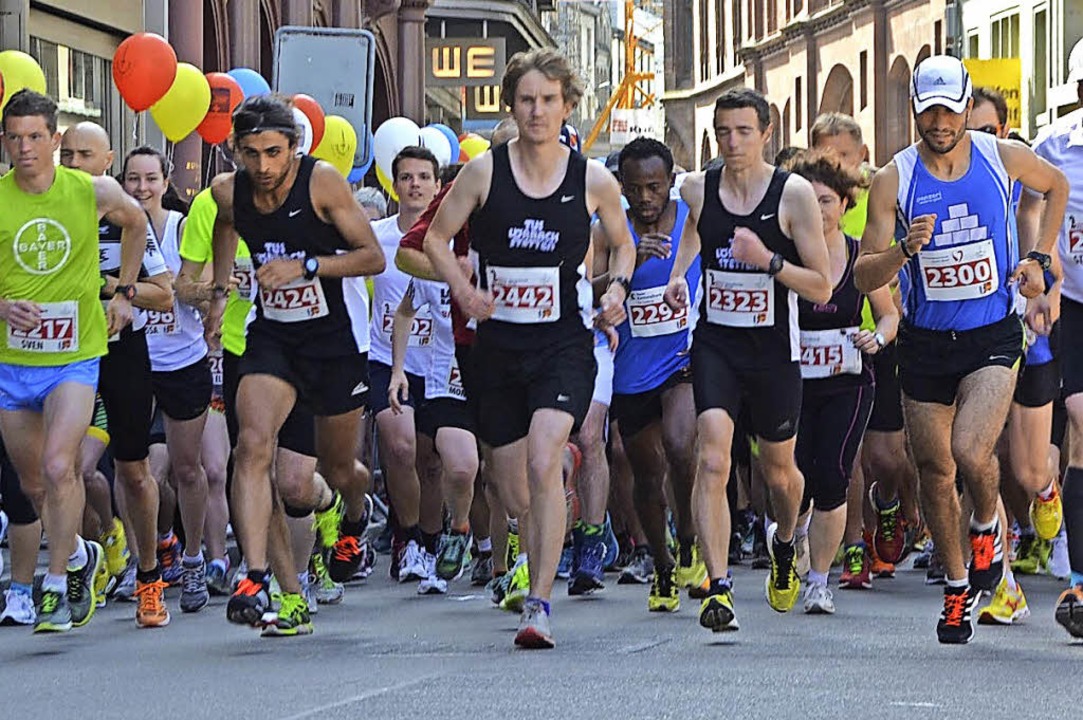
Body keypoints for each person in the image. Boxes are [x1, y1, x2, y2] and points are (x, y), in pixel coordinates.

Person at [422, 48, 636, 648]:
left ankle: (539, 603)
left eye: (548, 100)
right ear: (512, 107)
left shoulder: (591, 178)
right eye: (526, 100)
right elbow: (437, 239)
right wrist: (464, 290)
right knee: (511, 485)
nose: (537, 111)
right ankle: (543, 510)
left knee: (544, 460)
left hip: (563, 342)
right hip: (497, 347)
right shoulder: (485, 173)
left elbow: (623, 245)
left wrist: (617, 287)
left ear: (567, 105)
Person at [854, 55, 1068, 644]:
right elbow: (862, 277)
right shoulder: (893, 179)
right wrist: (902, 249)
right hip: (925, 341)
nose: (942, 122)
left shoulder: (1001, 158)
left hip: (991, 333)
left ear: (969, 107)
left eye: (952, 110)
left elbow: (1056, 186)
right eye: (931, 111)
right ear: (915, 111)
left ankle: (986, 528)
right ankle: (956, 590)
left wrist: (1041, 258)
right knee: (933, 468)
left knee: (971, 451)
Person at [205, 94, 385, 636]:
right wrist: (218, 293)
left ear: (295, 148)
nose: (263, 167)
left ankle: (351, 508)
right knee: (254, 449)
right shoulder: (228, 190)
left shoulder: (322, 182)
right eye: (251, 153)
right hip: (273, 339)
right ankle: (264, 582)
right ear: (235, 149)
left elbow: (372, 256)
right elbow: (224, 227)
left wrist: (305, 266)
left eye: (274, 153)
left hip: (332, 343)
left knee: (327, 472)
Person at [664, 87, 832, 633]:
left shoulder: (793, 195)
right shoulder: (697, 187)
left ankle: (787, 540)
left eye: (743, 131)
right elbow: (695, 227)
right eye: (723, 132)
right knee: (711, 456)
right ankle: (719, 586)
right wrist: (676, 276)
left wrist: (768, 260)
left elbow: (822, 285)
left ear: (767, 133)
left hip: (773, 350)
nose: (732, 142)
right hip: (716, 343)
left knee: (779, 473)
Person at [0, 90, 144, 632]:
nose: (25, 147)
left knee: (63, 467)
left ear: (55, 140)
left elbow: (135, 223)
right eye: (15, 137)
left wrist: (125, 294)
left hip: (74, 356)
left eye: (35, 136)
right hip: (11, 362)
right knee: (35, 484)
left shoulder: (90, 190)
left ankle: (56, 586)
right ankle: (82, 553)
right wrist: (2, 306)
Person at [786, 150, 898, 613]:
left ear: (845, 205)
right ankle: (790, 540)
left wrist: (877, 337)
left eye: (827, 200)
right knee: (794, 481)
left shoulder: (858, 258)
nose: (818, 209)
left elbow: (889, 315)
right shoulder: (784, 258)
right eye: (808, 201)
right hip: (792, 383)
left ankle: (817, 581)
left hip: (848, 380)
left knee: (833, 473)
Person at [593, 136, 703, 611]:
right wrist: (627, 268)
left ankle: (690, 543)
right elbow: (585, 288)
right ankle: (659, 562)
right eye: (635, 189)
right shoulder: (609, 230)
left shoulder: (691, 219)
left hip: (684, 356)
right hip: (631, 367)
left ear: (672, 181)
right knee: (645, 471)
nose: (644, 199)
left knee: (681, 445)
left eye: (654, 187)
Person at [122, 145, 215, 614]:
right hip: (133, 360)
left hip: (182, 360)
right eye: (133, 180)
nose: (141, 189)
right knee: (137, 468)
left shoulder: (181, 228)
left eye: (150, 179)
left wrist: (196, 291)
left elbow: (204, 290)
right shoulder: (113, 230)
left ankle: (194, 557)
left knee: (186, 468)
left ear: (165, 181)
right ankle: (151, 553)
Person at [365, 146, 444, 588]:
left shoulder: (448, 237)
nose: (415, 184)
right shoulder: (376, 234)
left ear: (436, 185)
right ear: (394, 185)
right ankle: (407, 537)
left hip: (437, 362)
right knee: (399, 449)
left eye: (423, 177)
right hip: (386, 360)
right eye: (406, 177)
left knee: (431, 462)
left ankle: (430, 543)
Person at [1028, 51, 1083, 638]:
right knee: (1078, 418)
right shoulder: (1054, 146)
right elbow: (1029, 203)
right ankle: (1078, 568)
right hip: (1074, 303)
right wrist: (1040, 264)